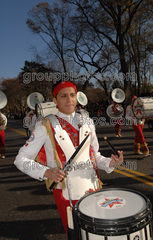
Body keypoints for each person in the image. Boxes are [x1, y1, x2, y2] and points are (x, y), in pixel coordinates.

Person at [14, 81, 123, 237]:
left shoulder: (88, 122)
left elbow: (95, 156)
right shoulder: (45, 125)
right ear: (55, 100)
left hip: (93, 189)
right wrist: (46, 172)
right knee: (77, 235)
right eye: (63, 96)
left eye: (72, 95)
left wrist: (110, 162)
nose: (69, 100)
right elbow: (21, 159)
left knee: (97, 234)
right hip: (67, 193)